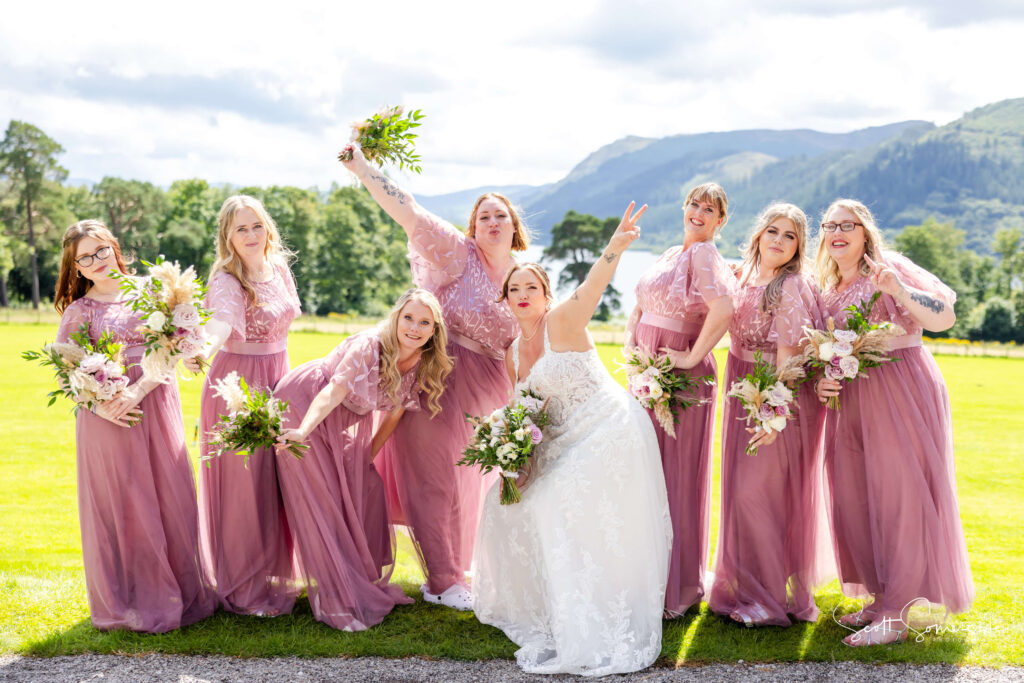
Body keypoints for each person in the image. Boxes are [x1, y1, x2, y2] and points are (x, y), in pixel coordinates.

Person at [472, 203, 672, 676]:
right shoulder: (511, 355)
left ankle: (592, 610)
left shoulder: (564, 322)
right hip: (563, 437)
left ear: (546, 295)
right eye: (514, 289)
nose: (523, 295)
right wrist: (512, 457)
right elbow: (526, 417)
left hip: (608, 426)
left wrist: (616, 245)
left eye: (532, 288)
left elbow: (593, 286)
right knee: (504, 501)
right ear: (505, 299)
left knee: (559, 497)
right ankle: (546, 604)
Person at [340, 144, 524, 610]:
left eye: (500, 215)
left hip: (491, 391)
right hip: (437, 382)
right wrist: (362, 167)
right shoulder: (458, 255)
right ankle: (441, 580)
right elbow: (410, 213)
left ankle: (459, 571)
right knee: (433, 481)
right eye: (483, 217)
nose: (492, 223)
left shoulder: (523, 276)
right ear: (473, 227)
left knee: (471, 483)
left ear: (514, 226)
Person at [814, 199, 973, 646]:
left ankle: (898, 613)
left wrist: (900, 290)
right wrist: (823, 380)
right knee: (856, 496)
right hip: (852, 397)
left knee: (898, 495)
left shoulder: (890, 266)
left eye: (849, 224)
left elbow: (944, 317)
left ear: (865, 232)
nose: (838, 231)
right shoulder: (827, 285)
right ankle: (880, 596)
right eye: (830, 225)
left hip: (900, 387)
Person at [52, 220, 215, 632]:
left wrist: (187, 355)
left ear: (114, 247)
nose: (97, 261)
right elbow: (64, 373)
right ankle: (130, 600)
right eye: (85, 257)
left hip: (155, 403)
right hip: (108, 418)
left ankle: (179, 592)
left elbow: (177, 347)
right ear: (76, 268)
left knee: (169, 496)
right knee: (124, 505)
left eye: (101, 250)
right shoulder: (79, 310)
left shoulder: (152, 292)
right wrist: (102, 405)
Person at [272, 289, 453, 631]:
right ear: (397, 317)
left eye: (424, 322)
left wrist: (367, 455)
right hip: (305, 404)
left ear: (434, 331)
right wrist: (303, 431)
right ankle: (332, 596)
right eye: (409, 318)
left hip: (347, 419)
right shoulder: (370, 346)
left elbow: (394, 415)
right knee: (321, 500)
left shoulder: (421, 363)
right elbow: (333, 392)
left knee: (365, 489)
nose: (414, 327)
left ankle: (357, 580)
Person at [707, 203, 833, 627]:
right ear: (758, 234)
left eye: (790, 236)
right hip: (738, 382)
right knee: (740, 495)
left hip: (775, 389)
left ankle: (766, 601)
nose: (778, 241)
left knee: (758, 495)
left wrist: (775, 415)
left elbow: (788, 357)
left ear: (799, 247)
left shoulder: (790, 285)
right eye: (773, 231)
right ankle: (744, 589)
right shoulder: (742, 274)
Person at [625, 182, 735, 616]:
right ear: (683, 207)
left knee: (673, 477)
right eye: (693, 204)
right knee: (646, 473)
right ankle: (645, 574)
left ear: (720, 221)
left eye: (710, 209)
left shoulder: (704, 254)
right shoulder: (674, 252)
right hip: (647, 373)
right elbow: (639, 304)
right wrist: (633, 350)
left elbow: (722, 309)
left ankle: (676, 586)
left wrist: (691, 356)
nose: (699, 212)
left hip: (679, 378)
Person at [191, 195, 302, 615]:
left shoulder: (279, 269)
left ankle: (269, 574)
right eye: (241, 229)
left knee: (274, 482)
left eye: (257, 225)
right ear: (228, 237)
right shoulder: (225, 278)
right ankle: (241, 585)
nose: (252, 235)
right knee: (244, 487)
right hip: (237, 385)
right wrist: (201, 347)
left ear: (267, 227)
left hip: (278, 378)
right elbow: (220, 322)